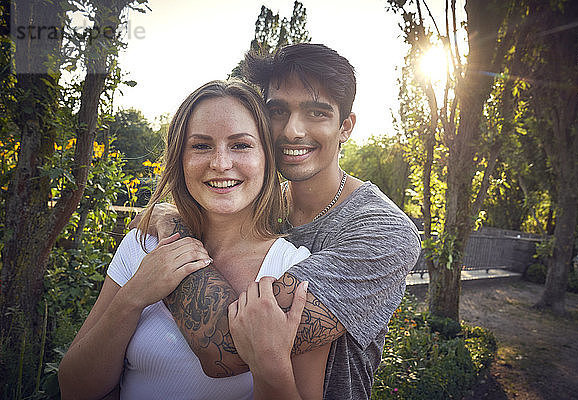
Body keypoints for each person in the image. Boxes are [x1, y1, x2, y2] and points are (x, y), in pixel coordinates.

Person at [145, 43, 422, 399]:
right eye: (278, 111)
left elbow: (229, 348)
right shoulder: (257, 203)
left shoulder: (383, 231)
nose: (292, 130)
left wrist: (174, 231)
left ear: (345, 127)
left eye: (317, 113)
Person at [58, 80, 327, 400]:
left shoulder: (294, 270)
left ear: (266, 158)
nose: (221, 163)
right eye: (201, 146)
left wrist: (270, 365)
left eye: (240, 145)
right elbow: (73, 387)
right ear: (180, 159)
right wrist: (133, 297)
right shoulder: (142, 245)